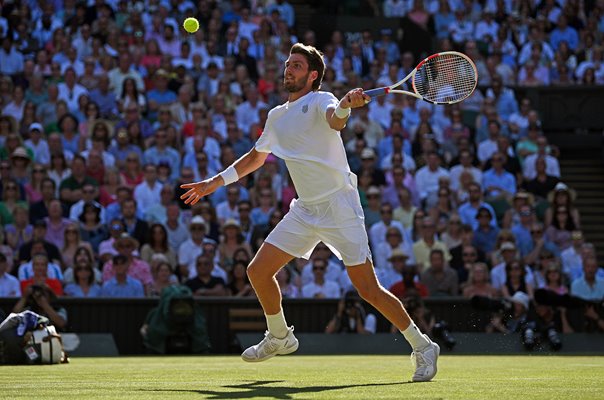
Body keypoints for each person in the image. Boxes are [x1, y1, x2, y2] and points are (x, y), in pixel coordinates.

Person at [180, 43, 439, 381]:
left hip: (340, 206)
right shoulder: (276, 116)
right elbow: (257, 157)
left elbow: (335, 121)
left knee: (368, 290)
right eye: (288, 64)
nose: (289, 69)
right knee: (258, 271)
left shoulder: (321, 100)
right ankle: (280, 336)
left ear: (312, 75)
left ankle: (422, 346)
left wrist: (345, 106)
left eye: (297, 65)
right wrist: (216, 181)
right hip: (305, 209)